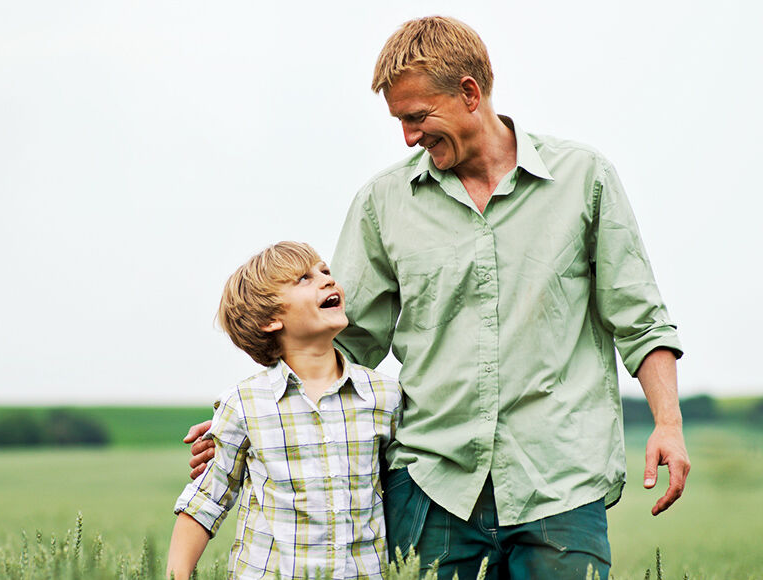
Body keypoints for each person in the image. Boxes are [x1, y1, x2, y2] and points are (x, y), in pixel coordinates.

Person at [185, 16, 691, 579]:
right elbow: (342, 345)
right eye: (399, 121)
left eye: (417, 117)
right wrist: (255, 418)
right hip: (431, 493)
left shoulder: (584, 178)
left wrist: (668, 424)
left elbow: (640, 319)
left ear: (470, 93)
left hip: (561, 484)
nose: (408, 137)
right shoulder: (383, 203)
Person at [166, 241, 403, 580]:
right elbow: (205, 503)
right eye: (304, 278)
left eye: (325, 271)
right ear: (270, 320)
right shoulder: (244, 404)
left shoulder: (384, 396)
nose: (327, 279)